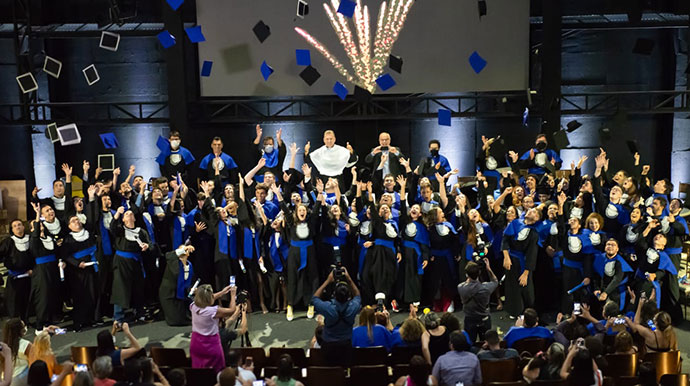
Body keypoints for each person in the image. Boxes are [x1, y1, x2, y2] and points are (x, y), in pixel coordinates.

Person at [311, 267, 361, 367]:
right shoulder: (353, 307)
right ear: (348, 297)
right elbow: (358, 296)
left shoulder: (328, 308)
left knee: (329, 371)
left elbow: (314, 298)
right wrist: (349, 279)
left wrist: (327, 281)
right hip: (346, 345)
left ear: (334, 295)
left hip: (328, 346)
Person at [189, 284, 236, 373]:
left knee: (199, 372)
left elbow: (204, 298)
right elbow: (231, 310)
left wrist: (222, 292)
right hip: (210, 345)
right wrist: (233, 295)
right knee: (216, 370)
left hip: (196, 343)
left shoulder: (193, 306)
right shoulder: (212, 311)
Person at [0, 218, 33, 321]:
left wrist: (33, 269)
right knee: (14, 302)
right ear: (12, 230)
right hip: (15, 277)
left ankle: (26, 320)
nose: (18, 227)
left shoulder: (31, 239)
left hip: (29, 275)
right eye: (14, 226)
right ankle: (15, 323)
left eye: (19, 225)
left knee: (27, 300)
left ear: (23, 227)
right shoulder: (8, 242)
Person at [457, 259, 498, 342]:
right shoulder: (486, 288)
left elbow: (466, 284)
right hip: (484, 318)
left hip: (470, 318)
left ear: (467, 275)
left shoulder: (461, 287)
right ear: (479, 273)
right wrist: (488, 269)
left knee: (469, 342)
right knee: (486, 342)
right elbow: (495, 281)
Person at [159, 244, 196, 326]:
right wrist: (184, 248)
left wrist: (192, 289)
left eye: (185, 251)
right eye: (181, 250)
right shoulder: (172, 262)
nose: (184, 252)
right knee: (176, 320)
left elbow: (189, 282)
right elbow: (168, 255)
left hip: (183, 294)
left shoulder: (189, 266)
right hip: (170, 295)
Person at [1, 318, 32, 383]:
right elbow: (34, 361)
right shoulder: (26, 345)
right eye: (23, 327)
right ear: (19, 330)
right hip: (22, 376)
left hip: (7, 378)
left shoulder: (3, 347)